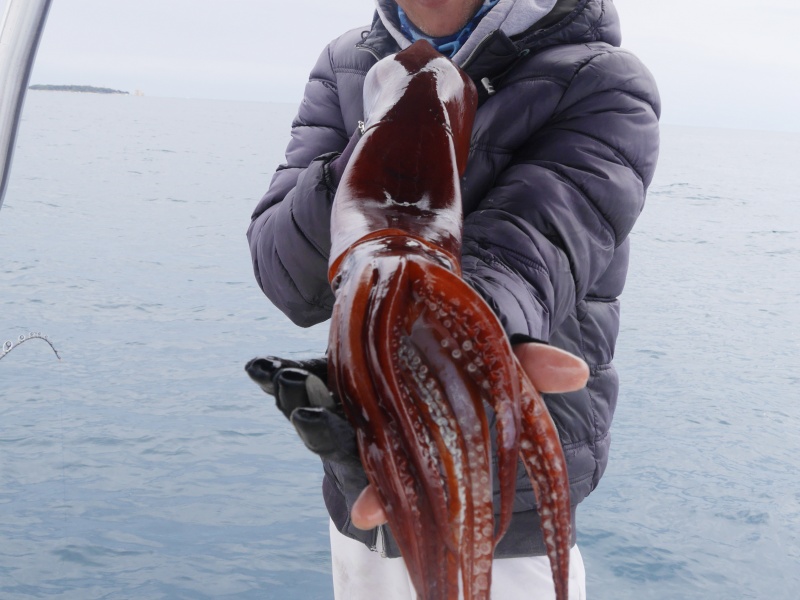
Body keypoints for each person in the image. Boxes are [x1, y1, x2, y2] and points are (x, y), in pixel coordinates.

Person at [246, 0, 660, 597]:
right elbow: (286, 277)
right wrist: (367, 146)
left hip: (506, 499)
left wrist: (473, 335)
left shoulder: (600, 79)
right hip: (362, 471)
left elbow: (536, 246)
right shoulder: (347, 66)